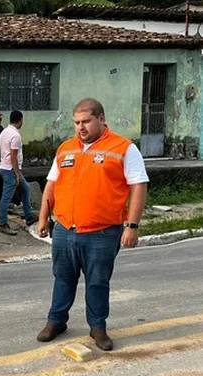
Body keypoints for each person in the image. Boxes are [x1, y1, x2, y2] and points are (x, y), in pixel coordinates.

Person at [36, 98, 149, 351]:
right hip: (65, 229)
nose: (80, 127)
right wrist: (43, 217)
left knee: (97, 281)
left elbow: (139, 186)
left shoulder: (124, 148)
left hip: (102, 233)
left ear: (101, 119)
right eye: (77, 122)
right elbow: (51, 185)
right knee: (62, 278)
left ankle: (97, 327)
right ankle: (56, 321)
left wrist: (132, 226)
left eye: (86, 121)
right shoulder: (65, 148)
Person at [0, 110, 35, 236]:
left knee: (26, 189)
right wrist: (17, 173)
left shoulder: (4, 132)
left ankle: (29, 216)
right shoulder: (15, 136)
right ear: (20, 120)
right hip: (11, 169)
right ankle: (3, 223)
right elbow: (13, 156)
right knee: (6, 197)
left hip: (5, 167)